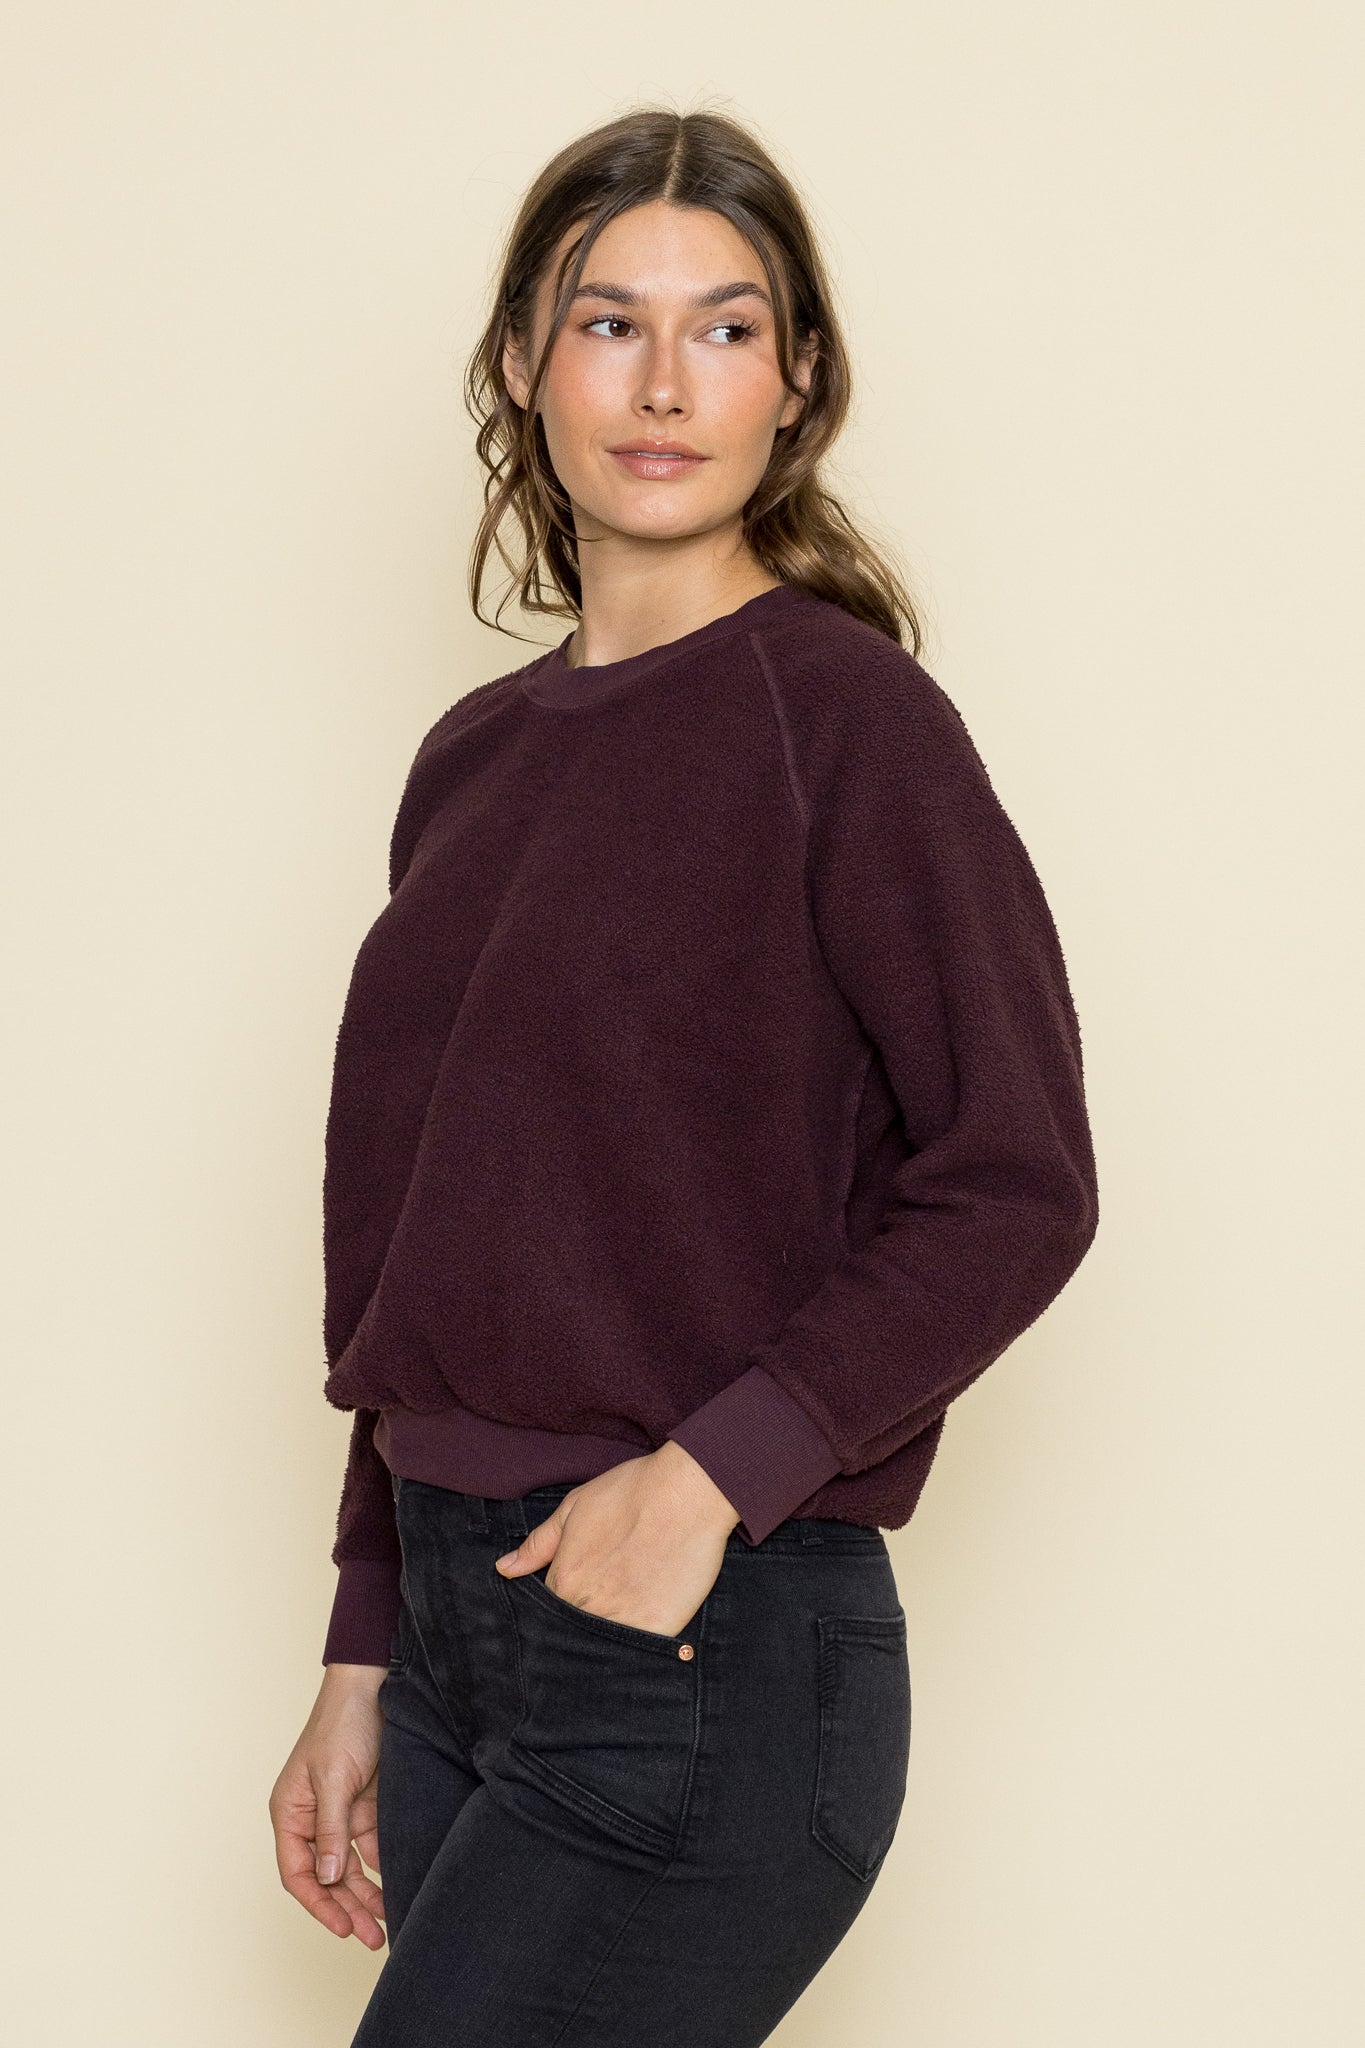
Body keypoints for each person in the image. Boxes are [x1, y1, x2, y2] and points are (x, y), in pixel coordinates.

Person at [269, 105, 1099, 2047]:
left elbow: (1013, 1179)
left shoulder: (848, 725)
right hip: (457, 1644)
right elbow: (433, 1236)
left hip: (700, 1636)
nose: (663, 386)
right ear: (520, 361)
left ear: (794, 380)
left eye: (724, 330)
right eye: (608, 324)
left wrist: (712, 1477)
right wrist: (366, 1636)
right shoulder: (471, 761)